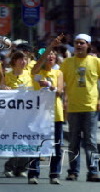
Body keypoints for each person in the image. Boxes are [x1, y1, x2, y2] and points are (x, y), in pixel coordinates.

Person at [61, 33, 100, 182]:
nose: (78, 45)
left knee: (90, 141)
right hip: (73, 107)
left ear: (88, 45)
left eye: (82, 43)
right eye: (76, 43)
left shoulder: (96, 61)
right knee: (73, 141)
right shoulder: (67, 62)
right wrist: (64, 100)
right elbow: (61, 82)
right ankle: (73, 171)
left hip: (90, 106)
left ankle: (94, 171)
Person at [28, 34, 64, 185]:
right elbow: (36, 67)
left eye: (53, 55)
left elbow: (60, 91)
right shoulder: (36, 72)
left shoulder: (58, 73)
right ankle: (33, 173)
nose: (50, 57)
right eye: (48, 55)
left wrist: (50, 86)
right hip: (39, 114)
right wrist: (50, 46)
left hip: (55, 113)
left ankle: (54, 173)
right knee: (36, 144)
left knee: (57, 145)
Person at [1, 51, 33, 178]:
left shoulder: (30, 74)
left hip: (28, 114)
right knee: (16, 141)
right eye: (20, 59)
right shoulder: (8, 75)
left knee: (27, 141)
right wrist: (4, 88)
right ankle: (9, 167)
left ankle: (21, 168)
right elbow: (1, 87)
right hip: (13, 114)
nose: (23, 62)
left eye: (25, 59)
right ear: (14, 61)